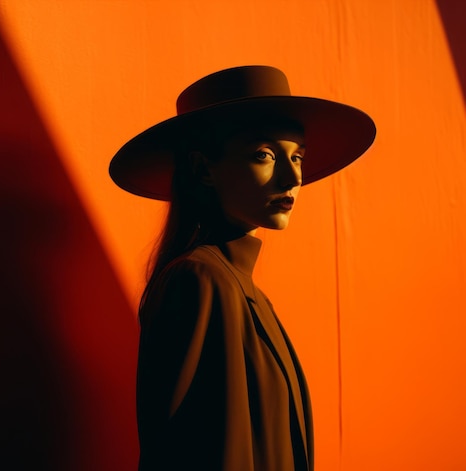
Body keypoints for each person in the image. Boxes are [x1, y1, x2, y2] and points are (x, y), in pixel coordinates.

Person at [109, 66, 376, 471]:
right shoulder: (200, 280)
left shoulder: (243, 290)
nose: (292, 177)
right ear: (202, 169)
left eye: (298, 156)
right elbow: (181, 450)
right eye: (264, 155)